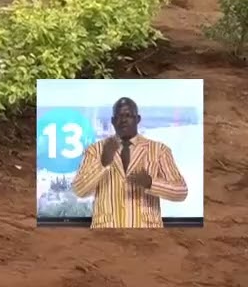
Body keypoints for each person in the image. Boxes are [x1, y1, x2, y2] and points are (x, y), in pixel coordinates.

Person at [71, 97, 189, 228]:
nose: (123, 120)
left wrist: (151, 183)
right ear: (113, 121)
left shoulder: (159, 150)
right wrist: (103, 164)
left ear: (137, 119)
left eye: (128, 115)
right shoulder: (95, 150)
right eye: (119, 116)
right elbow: (79, 190)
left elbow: (181, 191)